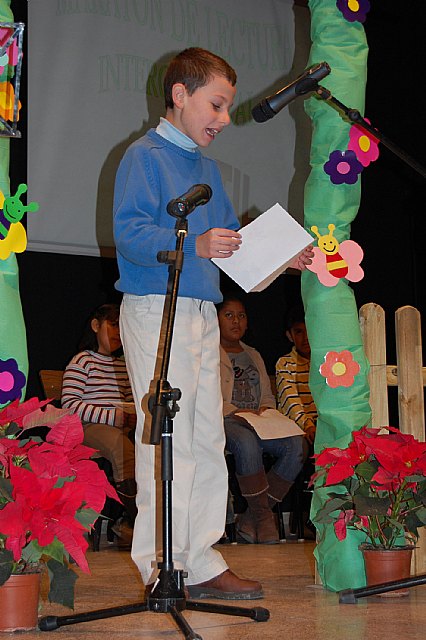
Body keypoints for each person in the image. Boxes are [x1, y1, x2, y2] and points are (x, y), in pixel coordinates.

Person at [113, 47, 312, 600]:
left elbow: (232, 245)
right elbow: (129, 233)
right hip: (157, 307)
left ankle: (199, 559)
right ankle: (162, 567)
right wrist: (192, 242)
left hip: (200, 311)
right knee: (167, 440)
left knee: (204, 437)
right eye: (216, 105)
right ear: (180, 95)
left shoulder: (205, 168)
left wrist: (279, 256)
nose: (224, 119)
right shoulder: (144, 156)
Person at [218, 295, 304, 544]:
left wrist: (266, 410)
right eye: (229, 315)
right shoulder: (206, 352)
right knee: (246, 443)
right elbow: (205, 396)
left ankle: (251, 517)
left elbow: (266, 394)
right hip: (226, 419)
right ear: (216, 319)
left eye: (241, 316)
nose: (237, 321)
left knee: (296, 445)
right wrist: (236, 412)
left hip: (258, 421)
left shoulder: (253, 354)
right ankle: (264, 517)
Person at [61, 303, 137, 546]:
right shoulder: (83, 361)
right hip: (87, 429)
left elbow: (127, 403)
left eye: (121, 326)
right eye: (113, 325)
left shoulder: (123, 365)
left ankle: (132, 519)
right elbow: (70, 406)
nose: (117, 332)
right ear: (96, 326)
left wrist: (132, 414)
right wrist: (113, 417)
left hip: (120, 428)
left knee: (151, 446)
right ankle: (133, 519)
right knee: (120, 446)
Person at [275, 304, 317, 462]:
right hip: (296, 426)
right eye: (299, 332)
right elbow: (291, 400)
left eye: (309, 330)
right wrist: (307, 424)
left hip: (320, 426)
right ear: (290, 335)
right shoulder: (284, 363)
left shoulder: (326, 362)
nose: (306, 337)